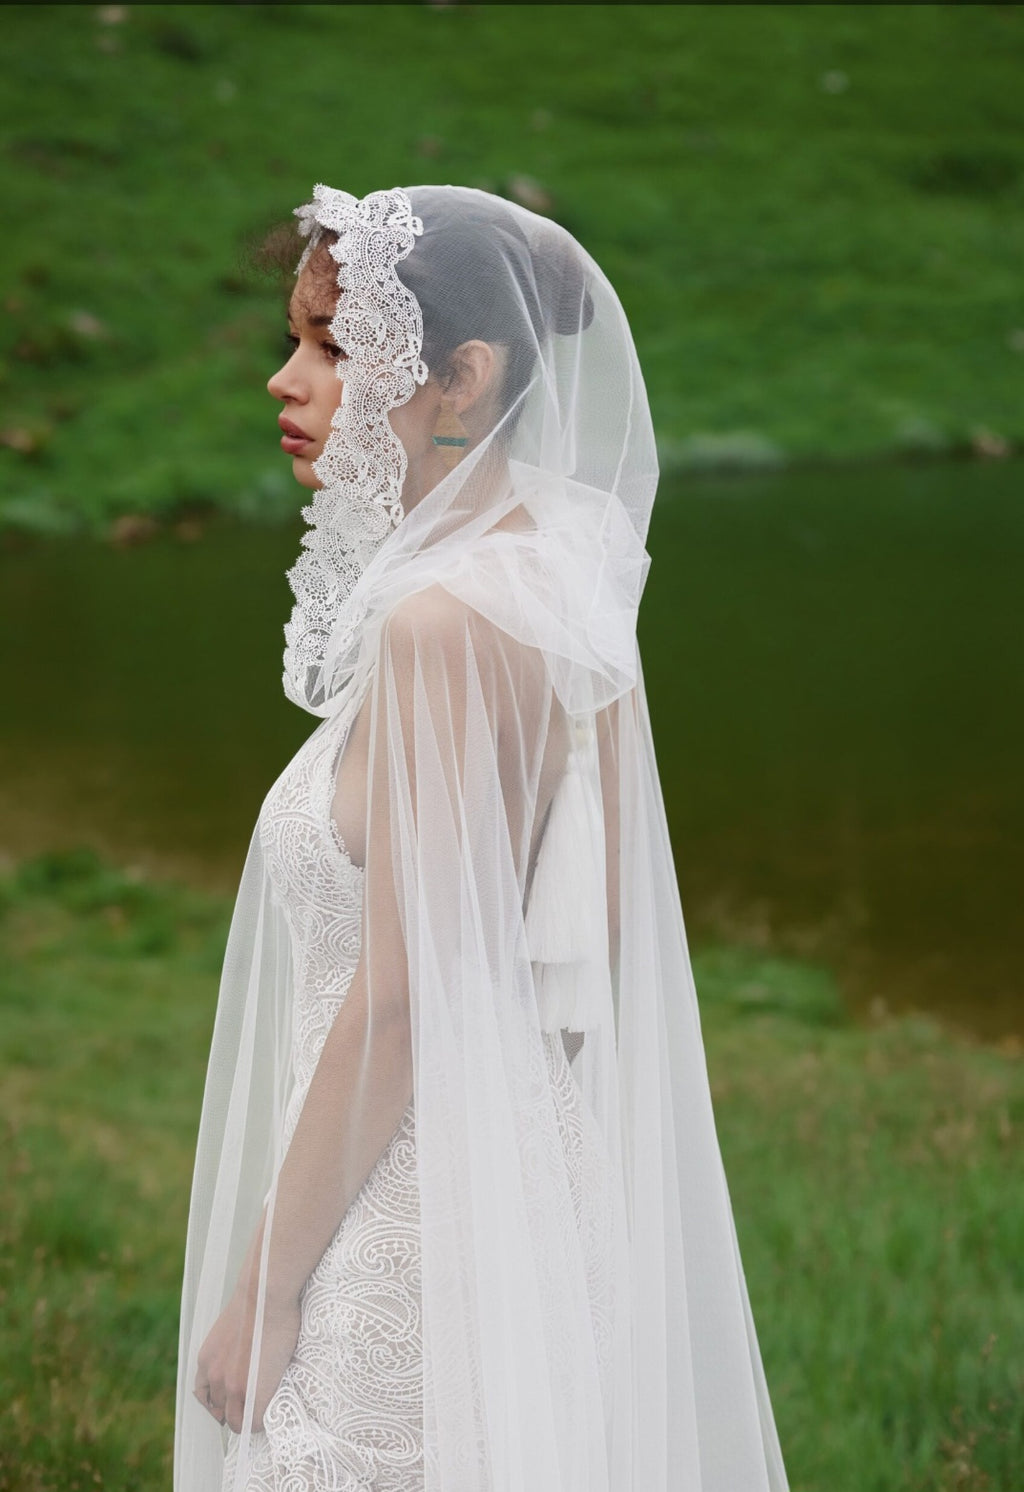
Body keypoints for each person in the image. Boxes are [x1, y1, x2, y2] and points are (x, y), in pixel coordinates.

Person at [175, 183, 789, 1492]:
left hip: (403, 1226)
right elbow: (576, 954)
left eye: (336, 348)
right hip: (513, 1184)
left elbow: (405, 1005)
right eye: (294, 340)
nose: (287, 382)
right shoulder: (554, 569)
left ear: (460, 378)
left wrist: (267, 1293)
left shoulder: (446, 623)